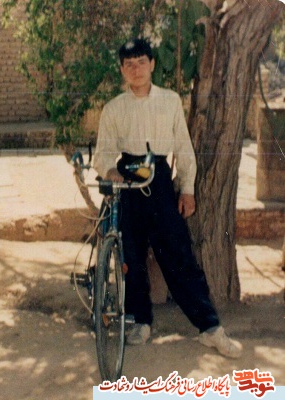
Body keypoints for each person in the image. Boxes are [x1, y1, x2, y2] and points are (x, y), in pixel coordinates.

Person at [93, 38, 242, 358]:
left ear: (152, 64)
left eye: (141, 62)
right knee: (130, 256)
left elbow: (184, 148)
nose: (136, 69)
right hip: (127, 180)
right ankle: (139, 321)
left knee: (178, 254)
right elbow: (102, 153)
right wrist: (111, 171)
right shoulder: (114, 108)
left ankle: (210, 327)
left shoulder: (170, 101)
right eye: (129, 64)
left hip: (159, 181)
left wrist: (187, 188)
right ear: (122, 70)